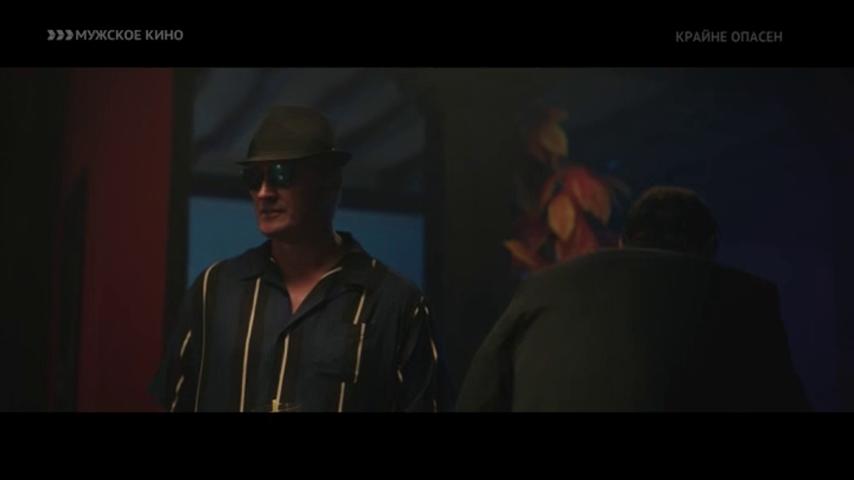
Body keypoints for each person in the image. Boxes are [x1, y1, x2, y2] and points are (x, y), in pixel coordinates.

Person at [151, 106, 439, 412]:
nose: (264, 192)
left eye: (281, 174)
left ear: (329, 182)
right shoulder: (214, 290)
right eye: (253, 178)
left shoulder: (395, 302)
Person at [456, 186, 809, 411]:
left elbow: (477, 399)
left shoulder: (541, 288)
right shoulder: (747, 299)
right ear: (710, 247)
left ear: (623, 242)